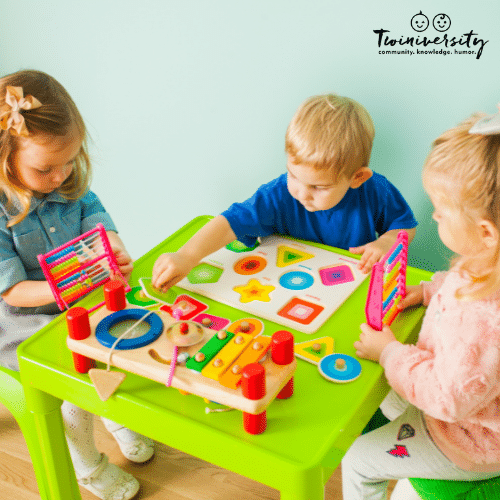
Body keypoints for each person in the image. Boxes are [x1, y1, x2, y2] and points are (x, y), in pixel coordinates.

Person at [0, 70, 153, 500]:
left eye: (69, 160)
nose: (60, 175)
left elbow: (98, 219)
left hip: (79, 300)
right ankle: (89, 466)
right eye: (46, 168)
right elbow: (12, 291)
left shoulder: (67, 181)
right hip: (25, 321)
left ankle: (116, 416)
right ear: (5, 156)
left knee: (128, 333)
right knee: (74, 378)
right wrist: (71, 282)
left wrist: (116, 251)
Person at [342, 111, 500, 499]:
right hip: (464, 399)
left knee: (357, 460)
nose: (433, 216)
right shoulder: (487, 263)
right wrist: (428, 290)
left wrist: (390, 353)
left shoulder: (483, 318)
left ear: (485, 232)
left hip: (469, 438)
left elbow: (447, 399)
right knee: (382, 397)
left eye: (442, 213)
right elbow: (464, 283)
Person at [152, 93, 417, 291]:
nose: (301, 193)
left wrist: (387, 242)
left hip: (346, 288)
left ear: (357, 178)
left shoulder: (376, 191)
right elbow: (228, 224)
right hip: (278, 288)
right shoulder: (278, 195)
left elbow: (404, 227)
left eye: (318, 187)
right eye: (293, 175)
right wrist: (186, 255)